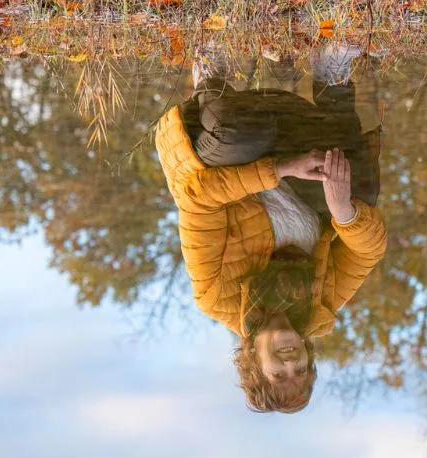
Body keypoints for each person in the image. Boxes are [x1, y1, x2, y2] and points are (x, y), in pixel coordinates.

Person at [155, 57, 385, 413]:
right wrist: (343, 211)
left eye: (279, 375)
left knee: (245, 132)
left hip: (224, 151)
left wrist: (283, 169)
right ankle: (333, 70)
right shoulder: (320, 305)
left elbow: (197, 199)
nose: (291, 363)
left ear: (253, 366)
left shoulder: (215, 295)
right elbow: (368, 251)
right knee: (360, 192)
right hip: (295, 140)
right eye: (302, 370)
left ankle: (211, 71)